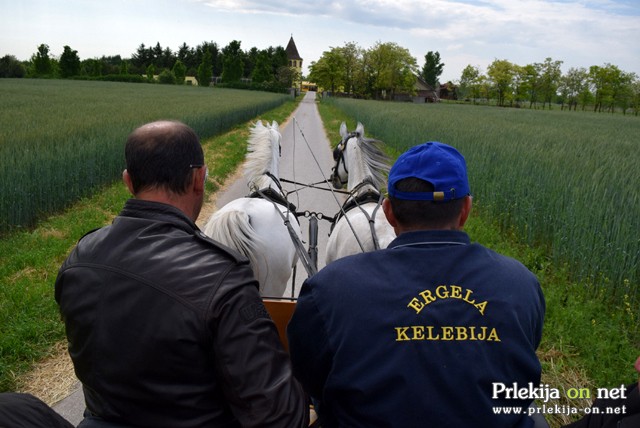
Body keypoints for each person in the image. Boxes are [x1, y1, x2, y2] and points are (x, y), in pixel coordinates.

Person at [55, 120, 307, 428]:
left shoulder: (79, 258)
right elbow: (278, 417)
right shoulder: (224, 277)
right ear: (199, 179)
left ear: (128, 181)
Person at [287, 141, 546, 427]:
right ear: (466, 210)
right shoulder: (521, 284)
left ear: (388, 212)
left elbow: (308, 376)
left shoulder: (329, 288)